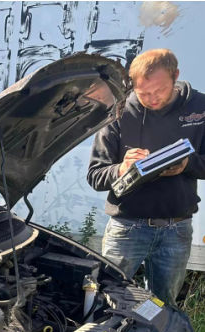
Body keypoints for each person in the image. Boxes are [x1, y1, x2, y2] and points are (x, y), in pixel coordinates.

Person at [87, 48, 205, 306]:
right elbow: (95, 176)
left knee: (164, 306)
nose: (151, 99)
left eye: (158, 91)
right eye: (143, 94)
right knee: (107, 302)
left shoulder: (200, 108)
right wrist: (122, 167)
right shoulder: (117, 112)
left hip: (177, 227)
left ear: (176, 76)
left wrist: (187, 163)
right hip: (127, 227)